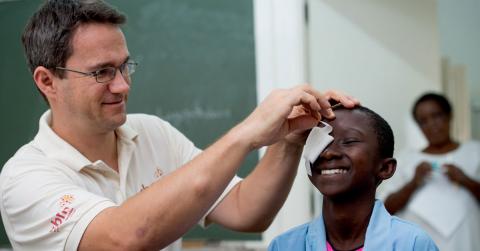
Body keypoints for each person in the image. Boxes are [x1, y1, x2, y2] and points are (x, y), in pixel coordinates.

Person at [0, 0, 358, 250]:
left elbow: (245, 209)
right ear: (47, 81)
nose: (123, 85)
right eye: (101, 72)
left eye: (125, 66)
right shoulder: (26, 178)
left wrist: (289, 140)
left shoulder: (153, 134)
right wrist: (247, 134)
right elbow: (124, 239)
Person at [268, 106, 438, 251]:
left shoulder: (413, 244)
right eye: (320, 142)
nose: (327, 152)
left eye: (349, 141)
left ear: (385, 168)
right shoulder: (284, 246)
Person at [379, 93, 480, 251]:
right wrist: (413, 183)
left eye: (437, 116)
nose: (432, 125)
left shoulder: (474, 152)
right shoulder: (406, 158)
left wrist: (465, 180)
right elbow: (385, 209)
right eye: (423, 121)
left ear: (449, 116)